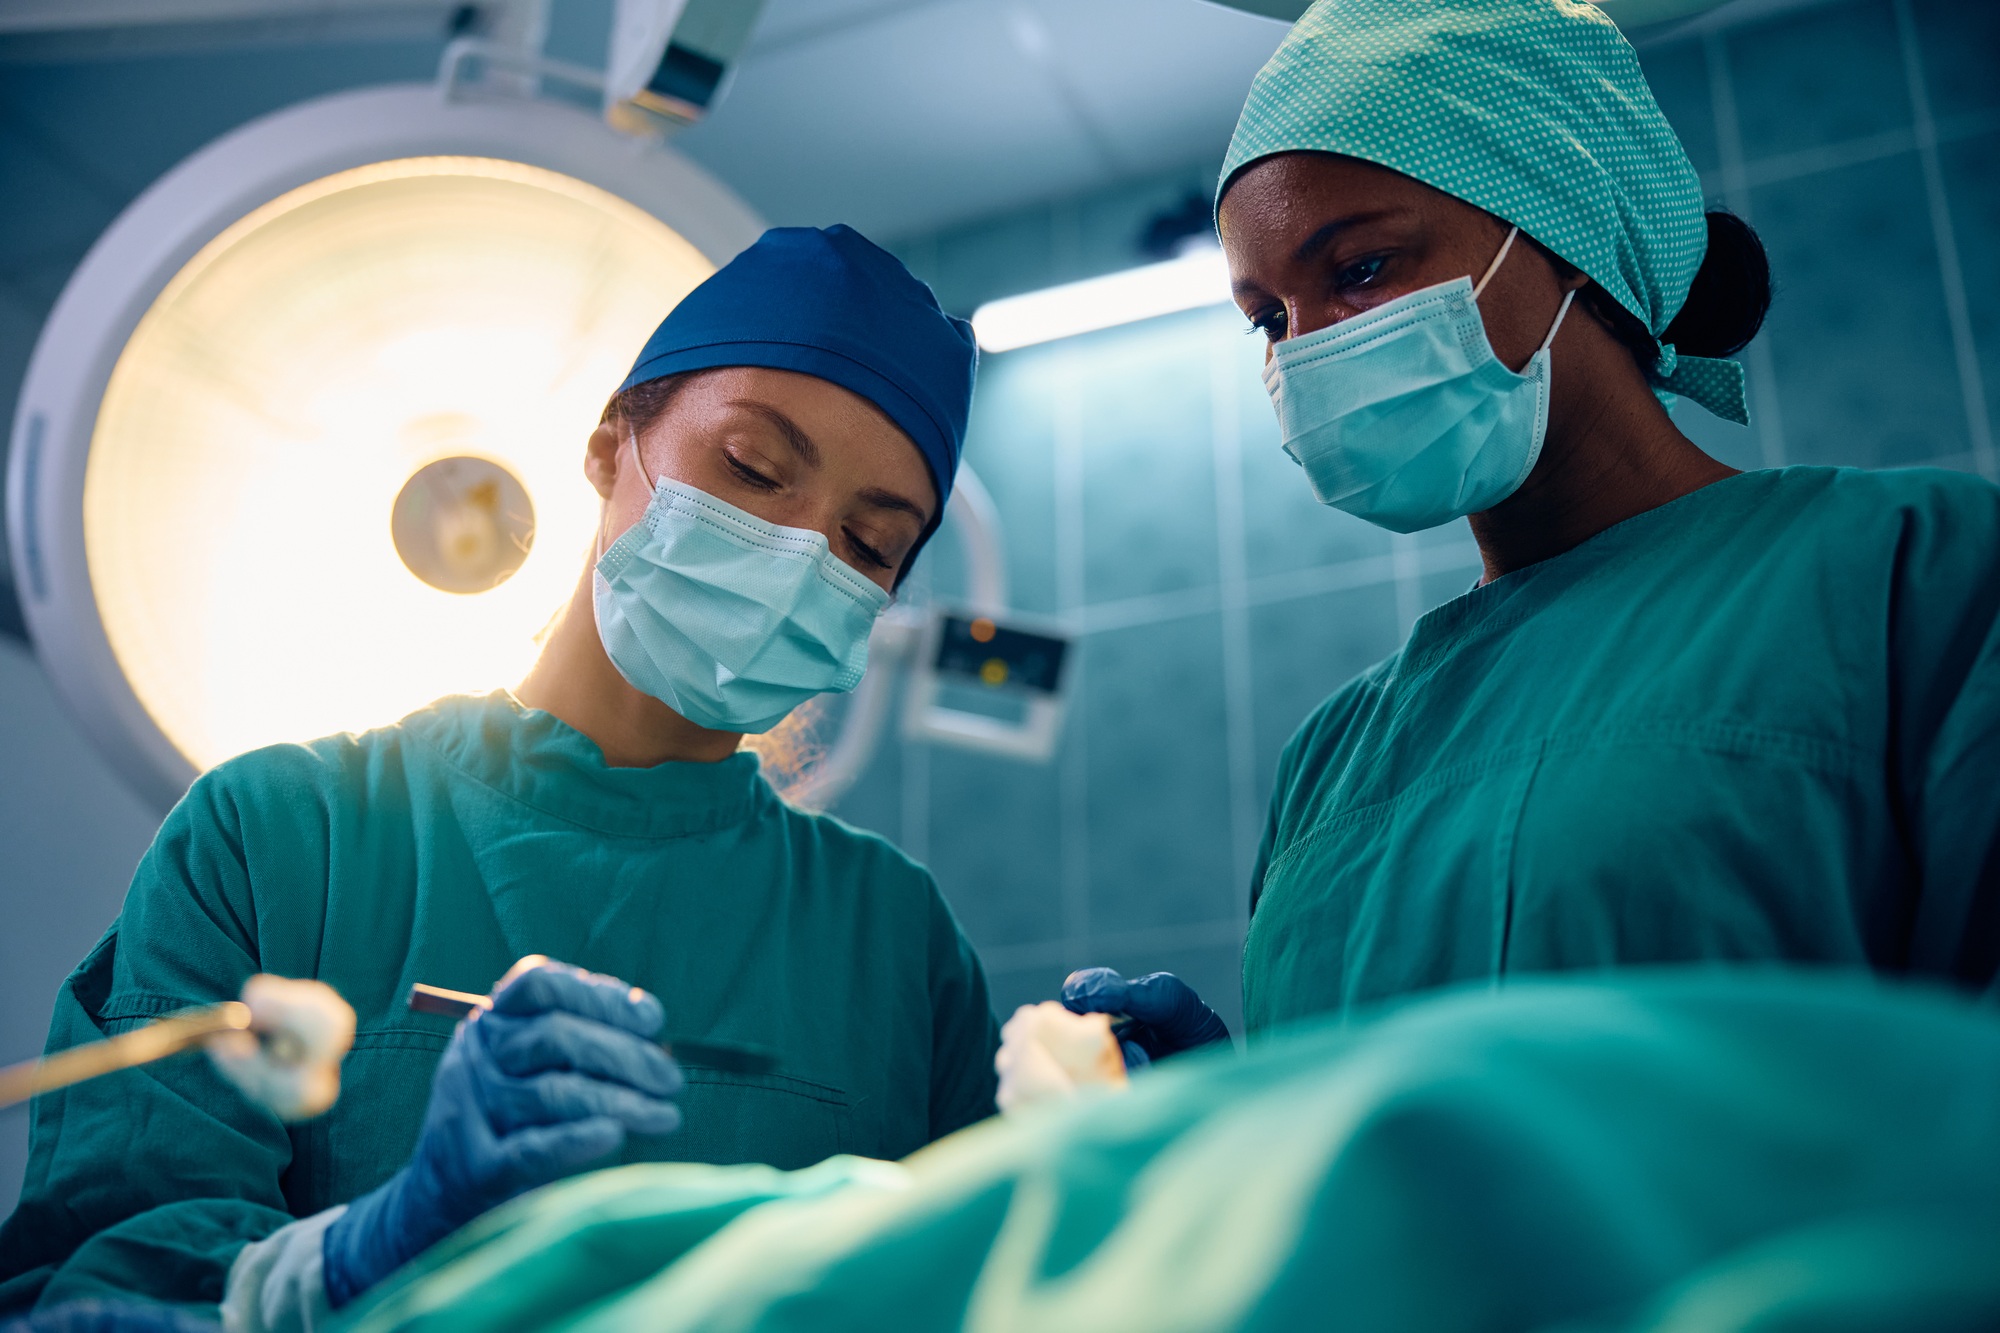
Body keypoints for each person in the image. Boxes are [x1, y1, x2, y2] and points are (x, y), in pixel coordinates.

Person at [0, 225, 1000, 1324]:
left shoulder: (893, 941)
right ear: (612, 442)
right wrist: (366, 1245)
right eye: (753, 469)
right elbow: (91, 1293)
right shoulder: (279, 839)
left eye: (866, 544)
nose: (797, 552)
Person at [1065, 0, 2000, 1055]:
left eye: (1361, 269)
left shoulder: (1916, 580)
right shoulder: (1330, 759)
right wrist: (1233, 1115)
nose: (1304, 351)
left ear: (1569, 236)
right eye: (1265, 318)